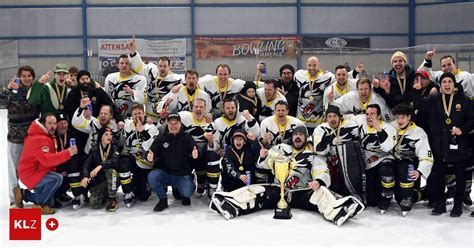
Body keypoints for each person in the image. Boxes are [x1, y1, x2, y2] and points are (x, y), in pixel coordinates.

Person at [210, 126, 364, 226]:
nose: (298, 137)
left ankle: (338, 211)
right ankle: (230, 205)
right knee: (255, 190)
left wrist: (318, 181)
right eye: (295, 134)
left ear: (305, 137)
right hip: (278, 190)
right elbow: (264, 163)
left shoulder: (311, 154)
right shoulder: (282, 148)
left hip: (301, 192)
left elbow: (321, 169)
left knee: (321, 193)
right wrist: (263, 156)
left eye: (301, 135)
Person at [413, 72, 473, 217]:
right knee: (439, 176)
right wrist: (416, 91)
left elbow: (472, 119)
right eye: (444, 82)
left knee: (460, 175)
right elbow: (420, 105)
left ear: (454, 84)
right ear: (440, 85)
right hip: (439, 145)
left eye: (449, 82)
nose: (447, 85)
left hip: (458, 144)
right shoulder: (434, 99)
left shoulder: (463, 100)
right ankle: (440, 204)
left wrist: (462, 129)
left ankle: (457, 205)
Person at [13, 113, 78, 214]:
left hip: (39, 172)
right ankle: (39, 205)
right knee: (57, 178)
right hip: (30, 174)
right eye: (50, 123)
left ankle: (23, 194)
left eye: (55, 123)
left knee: (51, 203)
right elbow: (46, 160)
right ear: (43, 123)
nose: (53, 126)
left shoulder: (45, 135)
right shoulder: (39, 139)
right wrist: (68, 153)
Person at [2, 66, 39, 206]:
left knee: (34, 167)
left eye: (29, 75)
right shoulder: (12, 91)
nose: (27, 78)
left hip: (31, 139)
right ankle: (14, 196)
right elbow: (1, 102)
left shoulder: (35, 91)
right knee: (13, 168)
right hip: (15, 138)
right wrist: (7, 89)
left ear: (32, 77)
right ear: (19, 77)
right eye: (24, 76)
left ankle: (37, 193)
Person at [147, 113, 199, 212]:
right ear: (167, 124)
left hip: (182, 174)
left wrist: (196, 154)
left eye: (176, 123)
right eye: (171, 123)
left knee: (187, 192)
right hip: (165, 174)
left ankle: (183, 191)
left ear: (180, 124)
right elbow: (151, 151)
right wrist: (150, 157)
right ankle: (163, 199)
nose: (173, 126)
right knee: (152, 176)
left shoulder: (187, 138)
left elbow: (196, 150)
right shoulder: (161, 138)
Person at [389, 103, 433, 216]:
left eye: (402, 117)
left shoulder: (419, 132)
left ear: (409, 117)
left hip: (409, 163)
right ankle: (420, 193)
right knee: (398, 198)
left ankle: (411, 197)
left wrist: (419, 171)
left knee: (405, 168)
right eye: (397, 117)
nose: (399, 120)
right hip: (394, 161)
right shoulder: (391, 126)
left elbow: (426, 155)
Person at [312, 105, 363, 201]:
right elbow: (319, 151)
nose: (332, 119)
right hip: (330, 161)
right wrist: (324, 142)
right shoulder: (321, 129)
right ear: (326, 118)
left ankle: (355, 194)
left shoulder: (351, 125)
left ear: (340, 117)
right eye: (329, 116)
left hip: (348, 160)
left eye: (335, 116)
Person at [351, 104, 397, 209]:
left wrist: (378, 128)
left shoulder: (388, 128)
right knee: (372, 201)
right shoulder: (361, 126)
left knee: (386, 169)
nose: (369, 116)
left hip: (384, 159)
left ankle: (387, 195)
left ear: (379, 116)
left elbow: (387, 147)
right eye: (367, 114)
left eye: (372, 114)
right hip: (369, 164)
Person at [128, 36, 184, 122]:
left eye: (165, 66)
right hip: (150, 111)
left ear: (169, 67)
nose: (162, 68)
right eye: (160, 66)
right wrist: (133, 51)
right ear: (157, 65)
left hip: (165, 113)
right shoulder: (152, 70)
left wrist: (181, 85)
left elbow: (191, 81)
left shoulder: (176, 78)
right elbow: (139, 67)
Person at [177, 98, 220, 197]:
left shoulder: (211, 125)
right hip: (185, 155)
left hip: (201, 154)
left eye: (201, 107)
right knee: (179, 195)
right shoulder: (183, 116)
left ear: (205, 109)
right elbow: (169, 123)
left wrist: (210, 141)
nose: (198, 109)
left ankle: (211, 186)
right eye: (196, 106)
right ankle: (189, 179)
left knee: (213, 156)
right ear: (192, 108)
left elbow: (214, 148)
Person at [121, 104, 159, 203]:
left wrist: (143, 132)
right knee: (123, 163)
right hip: (131, 158)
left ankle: (143, 184)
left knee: (143, 196)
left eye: (140, 113)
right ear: (132, 116)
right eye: (135, 114)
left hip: (144, 161)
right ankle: (127, 191)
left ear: (144, 114)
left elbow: (150, 147)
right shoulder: (128, 125)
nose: (137, 116)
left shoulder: (151, 128)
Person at [80, 127, 122, 211]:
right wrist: (84, 176)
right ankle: (105, 193)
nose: (109, 136)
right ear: (101, 137)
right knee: (94, 204)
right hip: (100, 180)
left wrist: (100, 166)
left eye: (110, 134)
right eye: (106, 134)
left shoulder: (115, 148)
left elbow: (115, 161)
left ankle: (112, 198)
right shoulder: (94, 149)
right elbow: (86, 164)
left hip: (113, 178)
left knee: (111, 171)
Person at [294, 56, 335, 133]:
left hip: (317, 122)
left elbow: (339, 78)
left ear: (318, 65)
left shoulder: (326, 77)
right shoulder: (298, 75)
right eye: (309, 65)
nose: (312, 67)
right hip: (301, 121)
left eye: (314, 65)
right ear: (306, 65)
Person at [104, 54, 147, 119]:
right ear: (118, 65)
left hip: (132, 117)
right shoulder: (110, 78)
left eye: (127, 63)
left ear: (130, 65)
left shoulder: (140, 79)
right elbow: (107, 97)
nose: (124, 65)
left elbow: (143, 100)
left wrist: (132, 92)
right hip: (114, 116)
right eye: (122, 63)